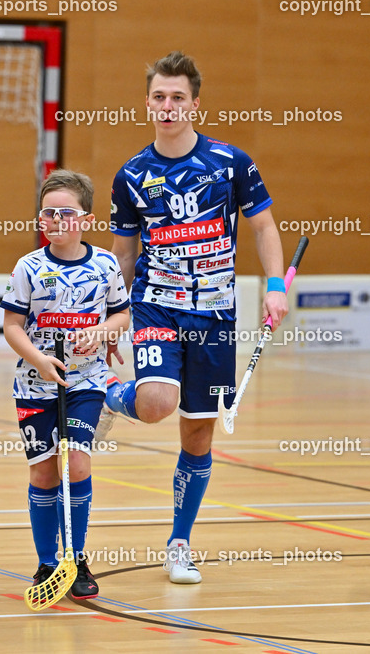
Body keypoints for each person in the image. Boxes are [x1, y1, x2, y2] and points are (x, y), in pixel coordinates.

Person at [102, 51, 289, 584]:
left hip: (214, 315)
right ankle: (107, 393)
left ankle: (179, 542)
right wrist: (114, 316)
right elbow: (122, 255)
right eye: (159, 97)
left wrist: (275, 286)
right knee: (159, 402)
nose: (167, 106)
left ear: (194, 103)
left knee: (197, 438)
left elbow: (264, 229)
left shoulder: (232, 164)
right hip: (156, 305)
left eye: (177, 97)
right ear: (147, 103)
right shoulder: (131, 176)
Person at [2, 170, 130, 599]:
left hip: (86, 381)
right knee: (43, 471)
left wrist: (101, 331)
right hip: (35, 384)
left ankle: (75, 557)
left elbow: (121, 314)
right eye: (47, 213)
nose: (55, 220)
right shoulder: (29, 266)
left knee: (76, 464)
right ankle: (46, 563)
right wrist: (37, 359)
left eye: (65, 213)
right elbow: (12, 325)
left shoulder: (105, 264)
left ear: (86, 219)